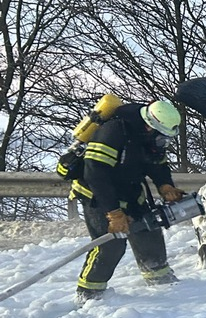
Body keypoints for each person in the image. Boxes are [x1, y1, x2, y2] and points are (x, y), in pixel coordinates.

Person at [71, 100, 186, 304]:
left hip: (130, 189)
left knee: (148, 230)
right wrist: (113, 213)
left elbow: (158, 164)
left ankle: (161, 281)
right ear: (150, 124)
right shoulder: (114, 131)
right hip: (98, 194)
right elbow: (95, 173)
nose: (163, 139)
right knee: (111, 244)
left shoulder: (151, 136)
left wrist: (165, 186)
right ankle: (89, 293)